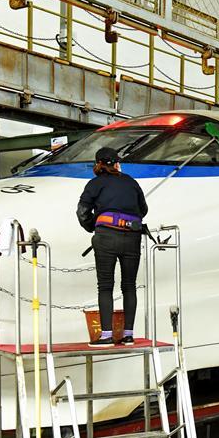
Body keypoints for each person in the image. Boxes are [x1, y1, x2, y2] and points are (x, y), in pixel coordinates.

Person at [76, 147, 148, 347]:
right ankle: (128, 335)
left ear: (98, 164)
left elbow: (82, 211)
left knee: (105, 286)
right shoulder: (131, 182)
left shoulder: (95, 183)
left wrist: (93, 226)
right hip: (132, 237)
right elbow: (143, 210)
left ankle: (106, 336)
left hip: (106, 237)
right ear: (117, 164)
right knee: (129, 285)